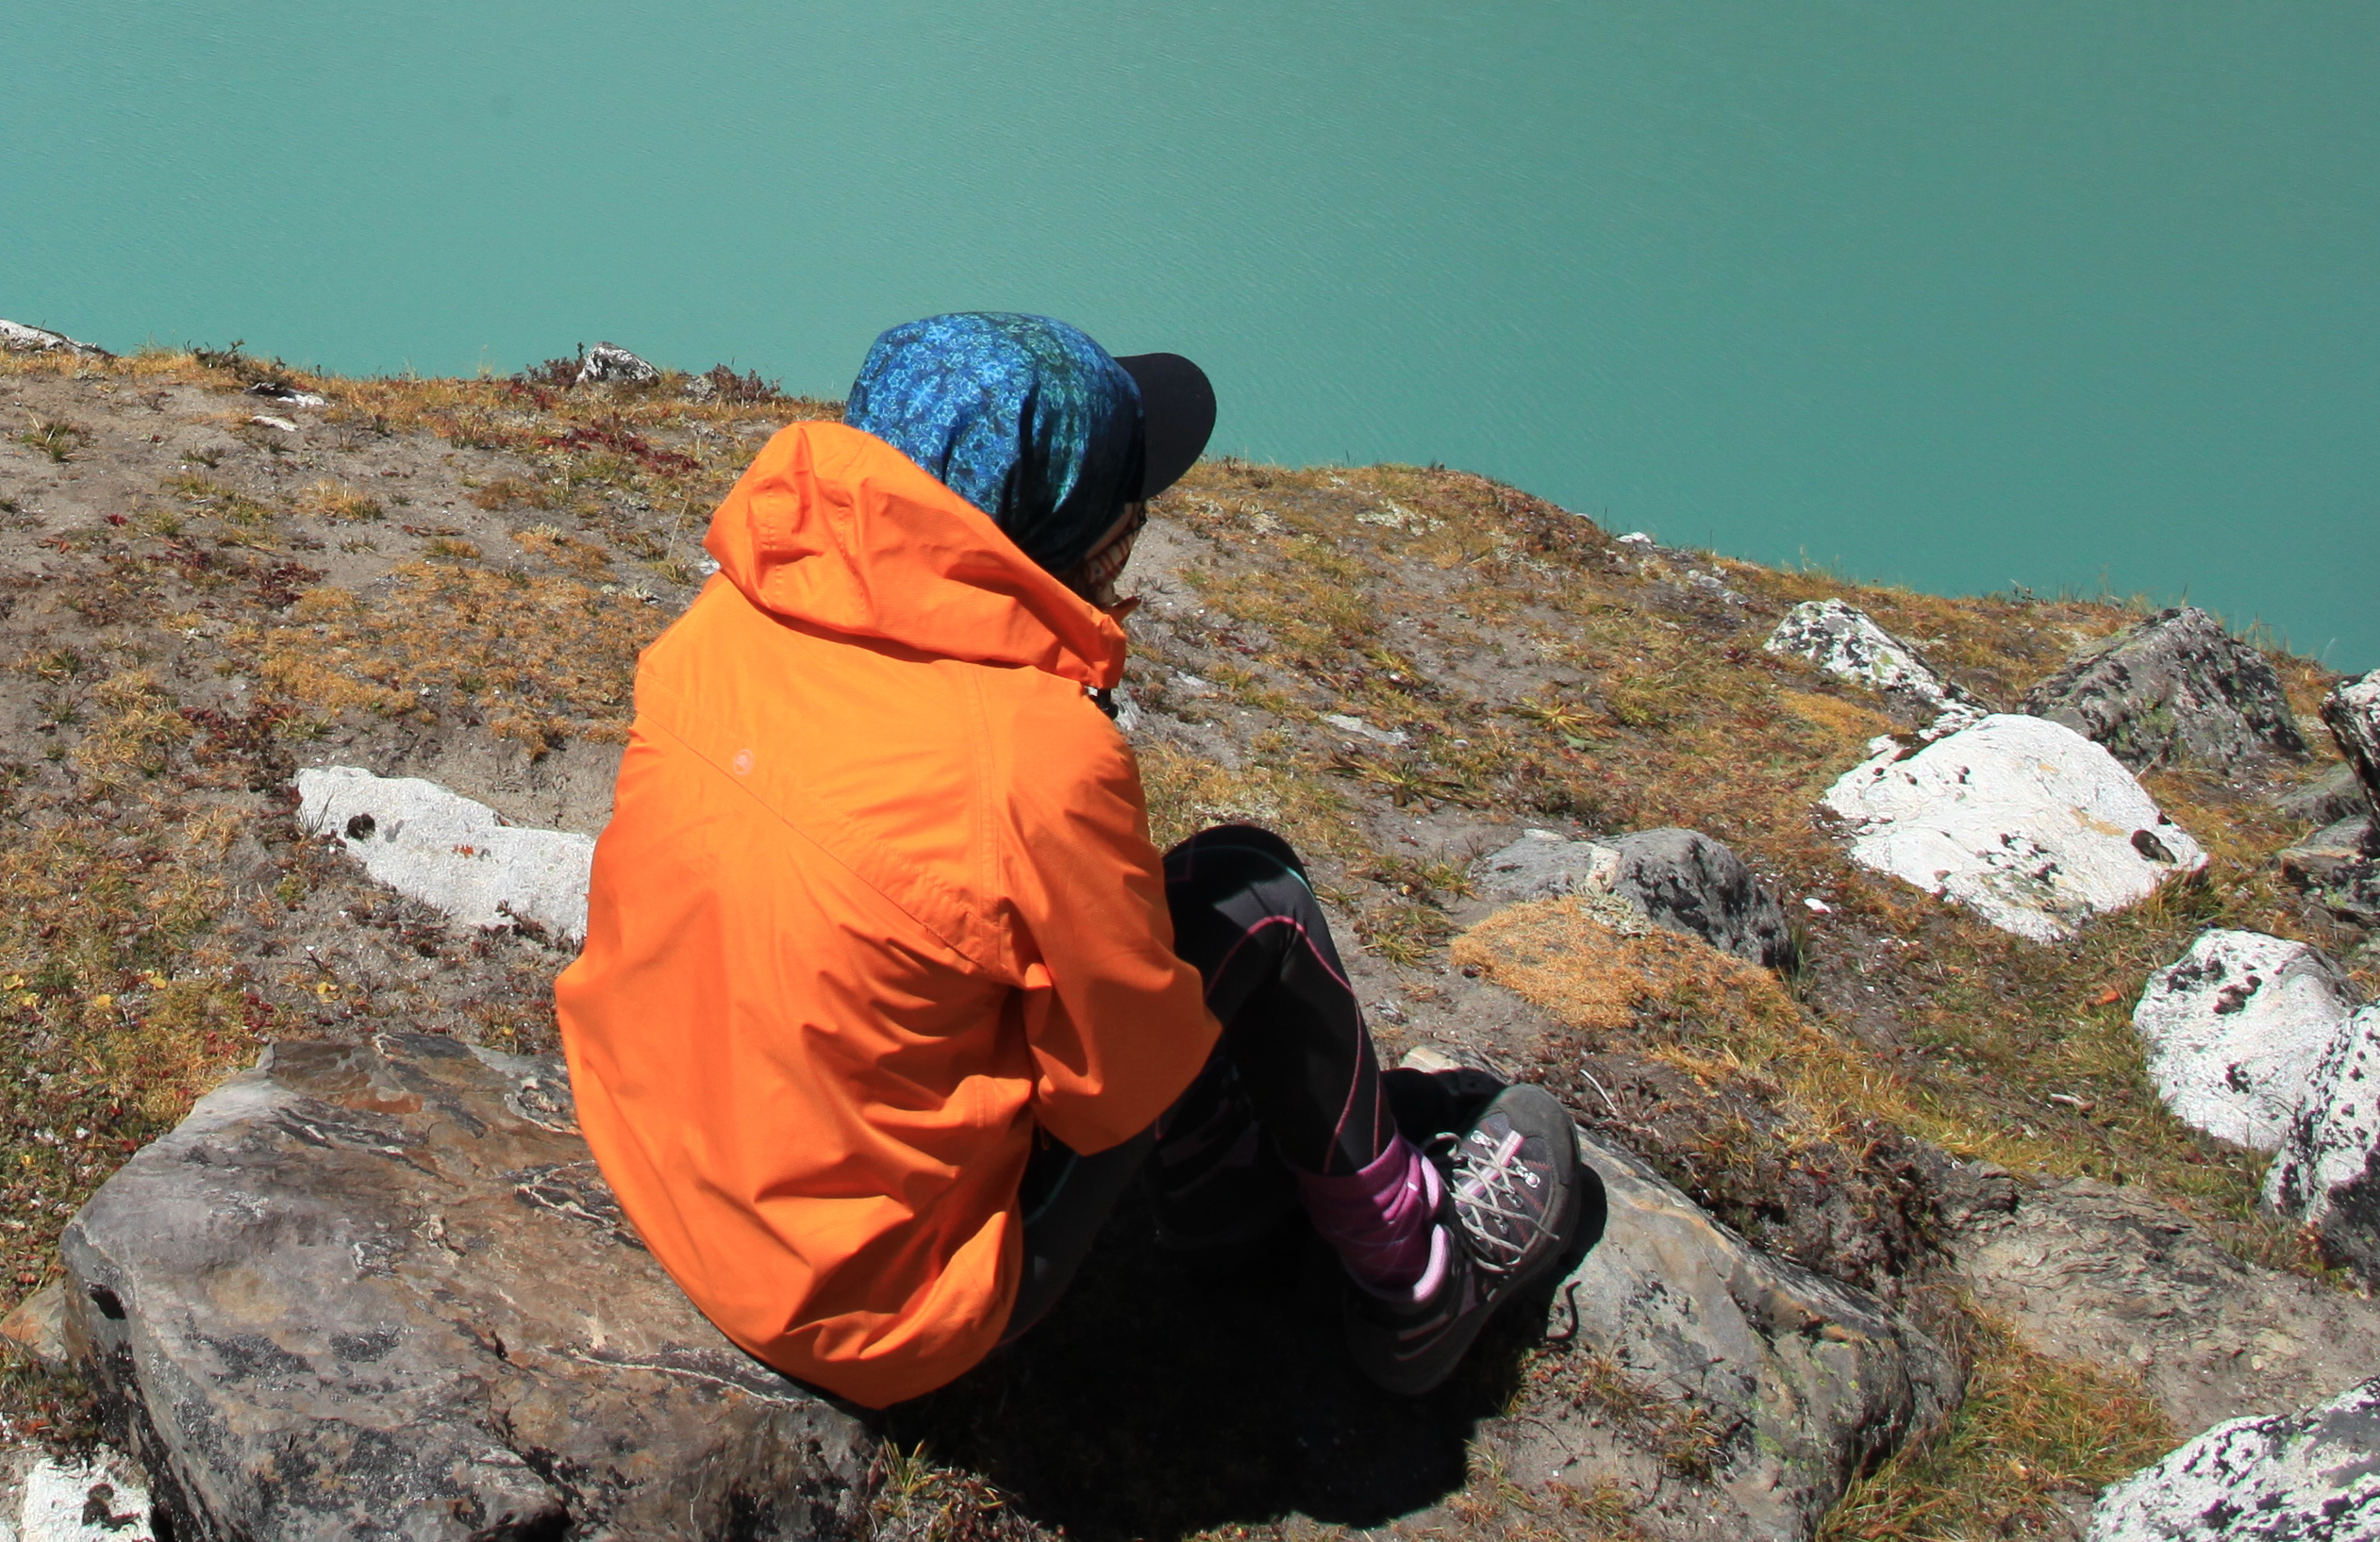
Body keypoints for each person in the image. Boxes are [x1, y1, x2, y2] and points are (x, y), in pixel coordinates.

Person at [556, 312, 1600, 1410]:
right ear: (1056, 535)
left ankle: (1232, 1187)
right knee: (1259, 896)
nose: (1133, 530)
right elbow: (1119, 1088)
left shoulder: (724, 619)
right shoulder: (1033, 759)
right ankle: (1419, 1272)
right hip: (864, 1308)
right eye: (1125, 510)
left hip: (656, 1157)